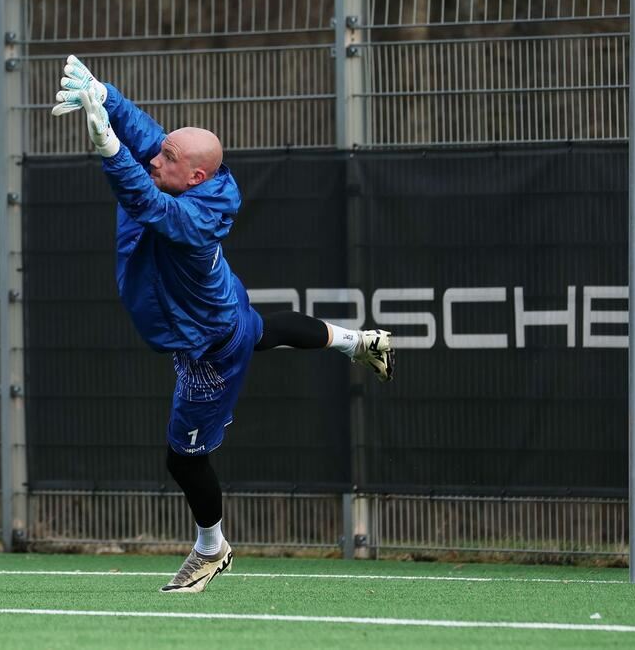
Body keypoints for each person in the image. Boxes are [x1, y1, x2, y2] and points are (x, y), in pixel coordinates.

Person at [51, 57, 394, 593]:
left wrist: (110, 151)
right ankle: (358, 341)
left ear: (195, 177)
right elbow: (149, 140)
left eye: (166, 156)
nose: (153, 157)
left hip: (208, 351)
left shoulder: (186, 218)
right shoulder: (185, 173)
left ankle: (212, 549)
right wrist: (106, 95)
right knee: (263, 331)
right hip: (223, 311)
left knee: (184, 460)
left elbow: (150, 207)